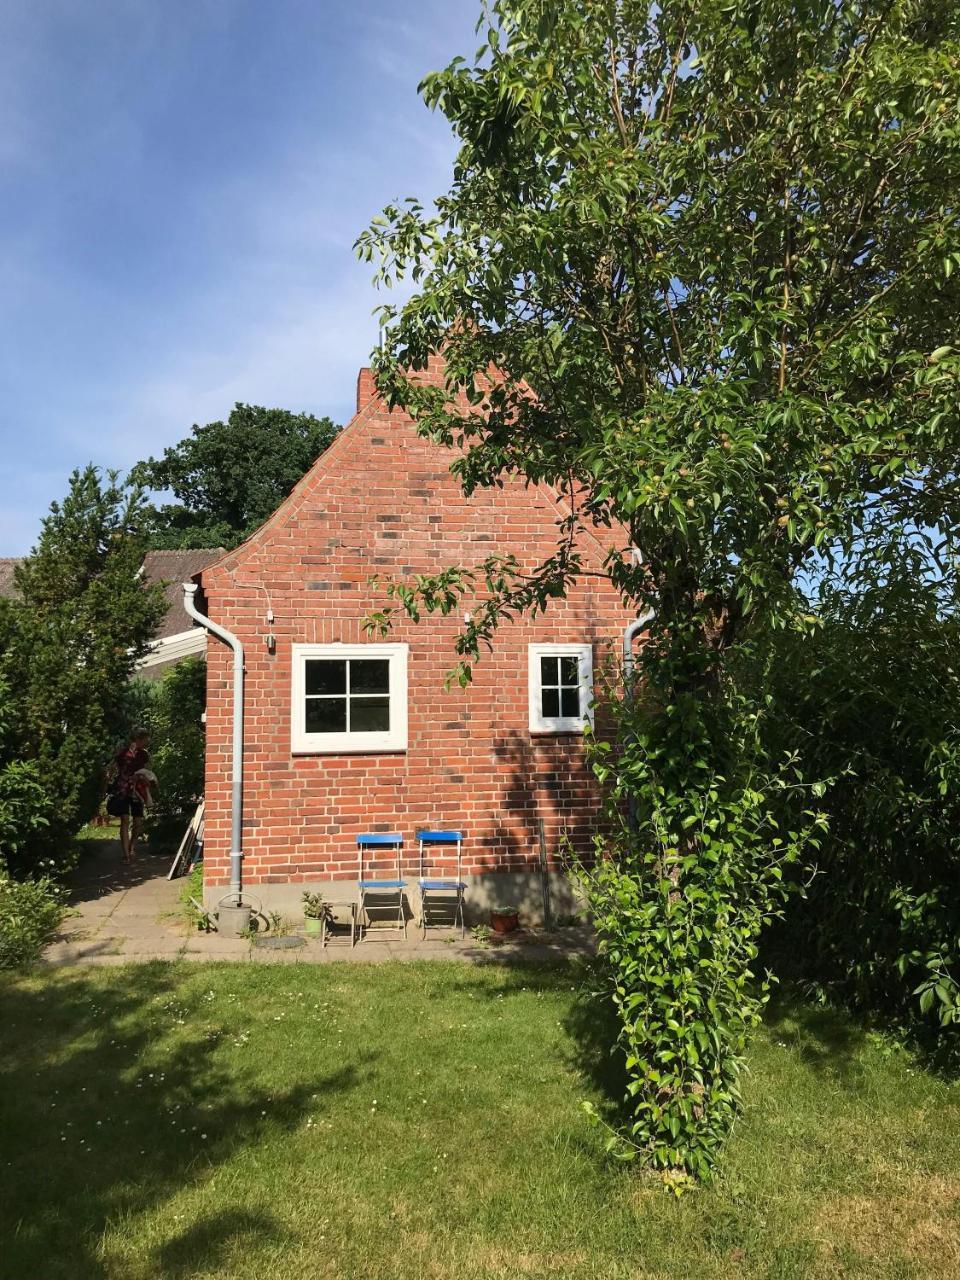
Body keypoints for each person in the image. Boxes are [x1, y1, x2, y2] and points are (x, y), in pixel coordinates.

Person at [107, 728, 151, 862]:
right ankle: (126, 854)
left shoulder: (144, 755)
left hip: (137, 789)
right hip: (123, 788)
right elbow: (115, 768)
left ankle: (132, 847)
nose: (147, 742)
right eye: (145, 739)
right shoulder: (122, 753)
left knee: (138, 822)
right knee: (125, 819)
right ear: (138, 739)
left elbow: (148, 769)